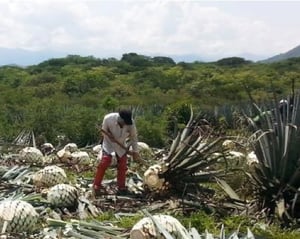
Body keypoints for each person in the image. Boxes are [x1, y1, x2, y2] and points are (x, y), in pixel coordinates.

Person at [93, 109, 141, 195]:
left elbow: (134, 138)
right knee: (105, 161)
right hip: (109, 143)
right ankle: (97, 185)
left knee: (122, 164)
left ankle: (121, 186)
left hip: (121, 145)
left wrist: (135, 151)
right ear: (120, 119)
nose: (125, 124)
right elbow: (103, 132)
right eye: (124, 122)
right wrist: (109, 136)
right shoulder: (108, 119)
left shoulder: (131, 124)